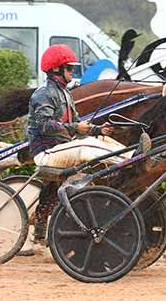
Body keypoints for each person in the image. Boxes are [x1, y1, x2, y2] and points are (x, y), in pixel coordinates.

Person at [27, 45, 115, 248]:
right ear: (56, 70)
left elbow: (78, 126)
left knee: (99, 140)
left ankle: (133, 157)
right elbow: (44, 125)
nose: (72, 72)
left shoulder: (65, 94)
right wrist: (77, 127)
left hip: (62, 148)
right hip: (46, 152)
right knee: (86, 147)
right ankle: (129, 160)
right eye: (69, 68)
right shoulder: (44, 94)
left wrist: (98, 130)